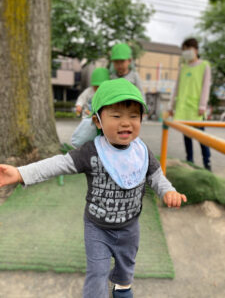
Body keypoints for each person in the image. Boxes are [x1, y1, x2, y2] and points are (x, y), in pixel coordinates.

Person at [0, 78, 187, 298]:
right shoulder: (90, 152)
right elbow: (58, 164)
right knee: (97, 273)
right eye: (116, 116)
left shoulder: (141, 151)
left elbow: (156, 175)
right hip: (97, 228)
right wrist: (22, 173)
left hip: (130, 227)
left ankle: (122, 287)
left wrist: (168, 191)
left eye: (133, 116)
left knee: (126, 265)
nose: (126, 123)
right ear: (98, 121)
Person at [169, 38, 211, 170]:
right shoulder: (183, 66)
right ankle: (190, 162)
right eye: (184, 50)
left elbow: (206, 86)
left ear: (196, 50)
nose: (186, 52)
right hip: (183, 108)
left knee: (202, 138)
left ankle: (207, 163)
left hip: (196, 108)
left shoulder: (204, 65)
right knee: (187, 139)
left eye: (189, 49)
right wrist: (172, 106)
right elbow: (177, 87)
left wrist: (203, 105)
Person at [71, 67, 110, 147]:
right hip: (87, 118)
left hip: (100, 119)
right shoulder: (89, 91)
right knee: (86, 133)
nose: (97, 89)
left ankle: (100, 146)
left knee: (101, 134)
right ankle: (82, 145)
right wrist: (79, 106)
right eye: (96, 86)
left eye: (100, 86)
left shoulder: (107, 94)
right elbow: (81, 98)